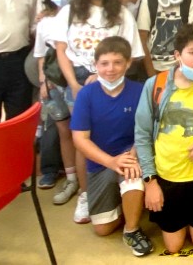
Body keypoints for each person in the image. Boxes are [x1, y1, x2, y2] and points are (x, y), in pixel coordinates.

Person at [54, 0, 146, 224]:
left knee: (117, 134)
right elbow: (61, 50)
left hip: (112, 76)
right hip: (78, 79)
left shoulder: (121, 13)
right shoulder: (70, 11)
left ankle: (124, 189)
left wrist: (107, 73)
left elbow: (132, 55)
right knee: (83, 138)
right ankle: (86, 194)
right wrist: (74, 83)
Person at [134, 22, 193, 255]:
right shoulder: (154, 85)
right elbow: (142, 133)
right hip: (166, 176)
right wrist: (150, 182)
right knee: (174, 246)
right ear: (178, 55)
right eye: (192, 52)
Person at [69, 36, 153, 257]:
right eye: (104, 63)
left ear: (128, 63)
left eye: (117, 62)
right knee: (103, 229)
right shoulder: (86, 95)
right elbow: (80, 139)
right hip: (101, 163)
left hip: (130, 157)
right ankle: (128, 205)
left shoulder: (140, 91)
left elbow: (145, 130)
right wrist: (110, 161)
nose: (110, 69)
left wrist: (132, 155)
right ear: (95, 66)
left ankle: (132, 229)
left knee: (132, 177)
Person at [33, 0, 81, 205]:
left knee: (82, 133)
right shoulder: (44, 21)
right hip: (53, 85)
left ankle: (86, 184)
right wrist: (43, 82)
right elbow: (41, 55)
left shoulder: (83, 18)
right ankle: (71, 178)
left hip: (77, 83)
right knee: (64, 132)